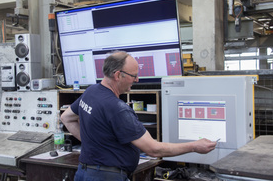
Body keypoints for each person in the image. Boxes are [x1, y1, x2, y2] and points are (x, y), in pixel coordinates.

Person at [61, 51, 217, 181]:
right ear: (117, 75)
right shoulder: (118, 109)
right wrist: (194, 146)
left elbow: (66, 117)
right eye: (133, 75)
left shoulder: (91, 92)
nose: (137, 79)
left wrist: (94, 143)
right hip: (106, 176)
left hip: (84, 172)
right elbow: (153, 150)